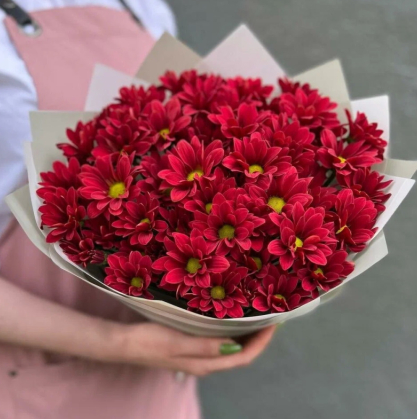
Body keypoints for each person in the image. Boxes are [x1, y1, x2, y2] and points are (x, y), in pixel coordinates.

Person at [0, 1, 276, 417]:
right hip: (34, 382)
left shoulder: (142, 7)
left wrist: (257, 291)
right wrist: (121, 343)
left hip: (160, 381)